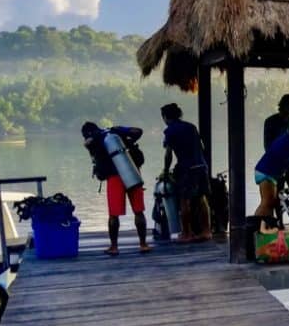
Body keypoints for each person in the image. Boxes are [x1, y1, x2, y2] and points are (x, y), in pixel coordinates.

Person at [82, 121, 151, 256]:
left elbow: (87, 144)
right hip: (132, 172)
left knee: (113, 215)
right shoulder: (115, 134)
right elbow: (138, 131)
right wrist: (121, 129)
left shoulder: (96, 139)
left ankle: (114, 247)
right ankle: (143, 244)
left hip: (114, 178)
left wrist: (95, 137)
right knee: (139, 211)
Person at [160, 103, 212, 242]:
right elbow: (201, 147)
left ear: (165, 117)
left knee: (185, 200)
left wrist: (165, 171)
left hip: (186, 169)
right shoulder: (191, 127)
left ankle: (187, 234)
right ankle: (206, 231)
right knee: (201, 199)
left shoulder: (169, 131)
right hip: (201, 166)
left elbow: (168, 154)